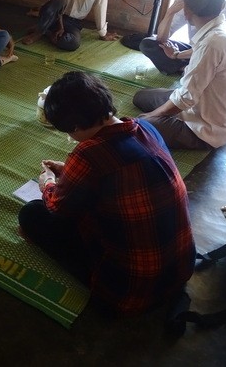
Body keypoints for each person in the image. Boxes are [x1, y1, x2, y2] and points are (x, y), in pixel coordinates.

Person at [18, 71, 195, 316]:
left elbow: (58, 208)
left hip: (129, 287)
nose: (71, 138)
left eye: (68, 132)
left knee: (32, 214)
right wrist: (71, 173)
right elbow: (125, 175)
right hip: (180, 268)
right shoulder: (144, 128)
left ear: (75, 126)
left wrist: (47, 182)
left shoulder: (88, 154)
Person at [134, 0, 226, 149]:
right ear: (222, 5)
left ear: (187, 10)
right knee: (141, 97)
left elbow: (186, 98)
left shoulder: (212, 43)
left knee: (136, 128)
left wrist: (153, 116)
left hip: (207, 129)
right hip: (204, 105)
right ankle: (164, 118)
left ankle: (162, 123)